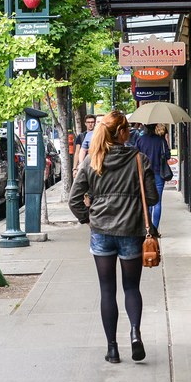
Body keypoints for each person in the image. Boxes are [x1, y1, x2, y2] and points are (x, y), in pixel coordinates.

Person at [68, 111, 158, 364]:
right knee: (132, 288)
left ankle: (112, 349)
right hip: (131, 232)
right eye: (127, 128)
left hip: (102, 233)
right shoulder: (139, 160)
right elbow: (152, 198)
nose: (130, 131)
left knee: (107, 290)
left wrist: (89, 218)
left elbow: (74, 200)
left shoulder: (92, 161)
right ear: (120, 133)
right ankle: (134, 333)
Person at [134, 123, 170, 236]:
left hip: (144, 175)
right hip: (159, 173)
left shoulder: (140, 140)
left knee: (147, 202)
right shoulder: (161, 140)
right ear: (154, 127)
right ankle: (155, 229)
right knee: (157, 203)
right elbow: (168, 156)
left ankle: (148, 229)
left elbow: (135, 156)